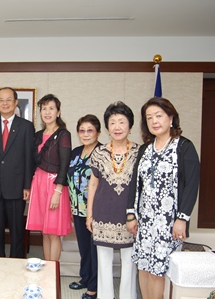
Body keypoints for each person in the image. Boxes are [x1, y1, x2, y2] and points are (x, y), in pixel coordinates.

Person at [127, 97, 200, 299]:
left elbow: (191, 186)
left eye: (159, 116)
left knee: (158, 270)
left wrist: (182, 219)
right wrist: (131, 215)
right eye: (149, 118)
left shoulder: (184, 147)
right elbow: (135, 185)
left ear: (171, 118)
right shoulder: (144, 149)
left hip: (169, 222)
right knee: (143, 266)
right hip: (145, 221)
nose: (154, 121)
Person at [85, 101, 139, 299]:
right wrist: (89, 214)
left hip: (130, 216)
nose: (117, 127)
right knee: (104, 261)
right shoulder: (98, 153)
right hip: (103, 212)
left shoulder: (140, 152)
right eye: (113, 122)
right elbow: (92, 185)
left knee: (129, 261)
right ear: (107, 127)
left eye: (122, 122)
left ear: (130, 126)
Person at [0, 87, 35, 258]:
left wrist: (27, 185)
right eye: (1, 100)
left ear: (15, 102)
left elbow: (29, 157)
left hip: (17, 186)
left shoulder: (26, 126)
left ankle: (17, 261)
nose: (5, 103)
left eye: (8, 100)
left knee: (16, 229)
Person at [26, 94, 73, 261]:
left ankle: (54, 271)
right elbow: (32, 163)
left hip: (55, 186)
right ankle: (46, 269)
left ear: (58, 112)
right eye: (44, 108)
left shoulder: (63, 134)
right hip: (38, 183)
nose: (47, 112)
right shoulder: (38, 134)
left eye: (51, 108)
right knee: (44, 232)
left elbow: (64, 164)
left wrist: (58, 192)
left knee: (53, 233)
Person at [67, 114, 102, 299]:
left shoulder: (103, 152)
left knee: (95, 248)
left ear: (98, 132)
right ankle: (85, 278)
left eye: (90, 130)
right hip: (77, 209)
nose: (86, 134)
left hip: (95, 210)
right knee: (84, 247)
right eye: (82, 130)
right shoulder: (75, 152)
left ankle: (94, 286)